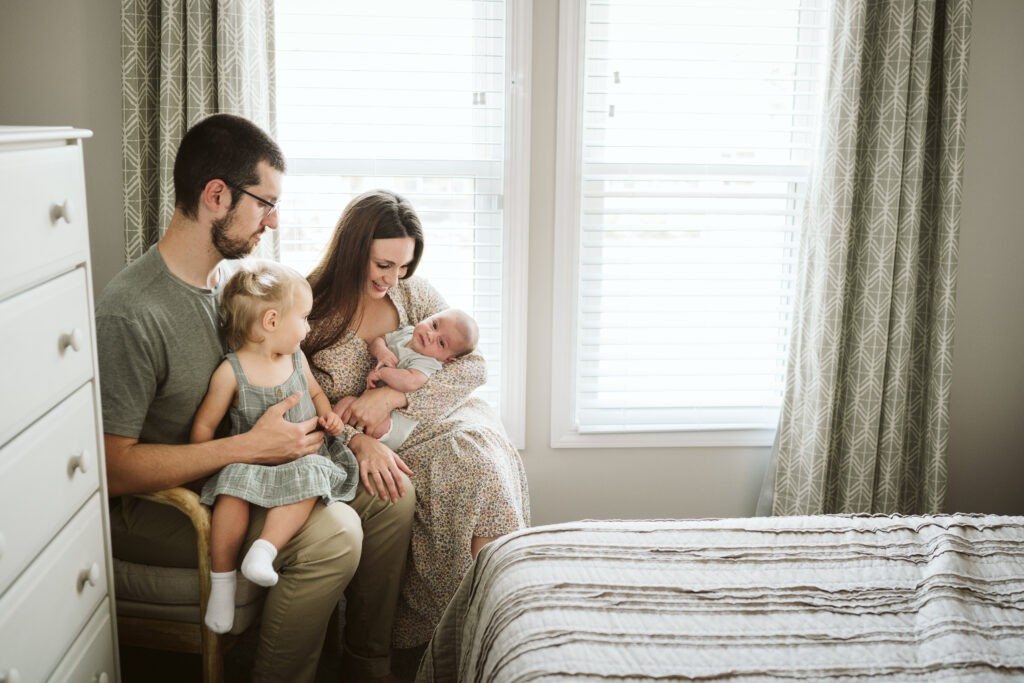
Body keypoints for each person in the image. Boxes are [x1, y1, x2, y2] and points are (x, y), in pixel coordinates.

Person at [95, 114, 414, 683]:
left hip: (258, 464)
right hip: (178, 499)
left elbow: (286, 376)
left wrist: (359, 439)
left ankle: (368, 667)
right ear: (217, 195)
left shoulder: (227, 287)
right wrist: (248, 447)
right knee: (337, 536)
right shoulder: (132, 312)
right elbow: (113, 469)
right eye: (265, 203)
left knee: (393, 498)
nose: (272, 220)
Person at [302, 189, 530, 653]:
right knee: (465, 467)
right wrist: (354, 436)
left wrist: (391, 398)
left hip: (436, 412)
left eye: (403, 265)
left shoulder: (412, 293)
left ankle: (502, 624)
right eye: (384, 264)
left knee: (482, 456)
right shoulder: (311, 309)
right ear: (352, 249)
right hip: (358, 434)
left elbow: (472, 365)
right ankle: (445, 638)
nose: (394, 277)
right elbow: (301, 397)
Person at [191, 260, 358, 635]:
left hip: (299, 458)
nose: (308, 327)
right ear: (270, 322)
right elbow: (204, 424)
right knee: (230, 491)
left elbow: (315, 393)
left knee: (311, 474)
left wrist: (329, 416)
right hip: (249, 462)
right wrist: (208, 460)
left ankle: (264, 550)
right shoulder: (230, 372)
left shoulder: (296, 358)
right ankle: (221, 585)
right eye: (303, 317)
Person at [333, 308, 479, 451]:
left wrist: (382, 373)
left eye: (441, 343)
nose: (430, 335)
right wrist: (382, 351)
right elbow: (378, 341)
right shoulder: (407, 333)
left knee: (358, 413)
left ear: (447, 359)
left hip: (393, 423)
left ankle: (341, 436)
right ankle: (331, 425)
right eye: (434, 325)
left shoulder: (428, 362)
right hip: (371, 405)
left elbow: (410, 381)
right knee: (346, 403)